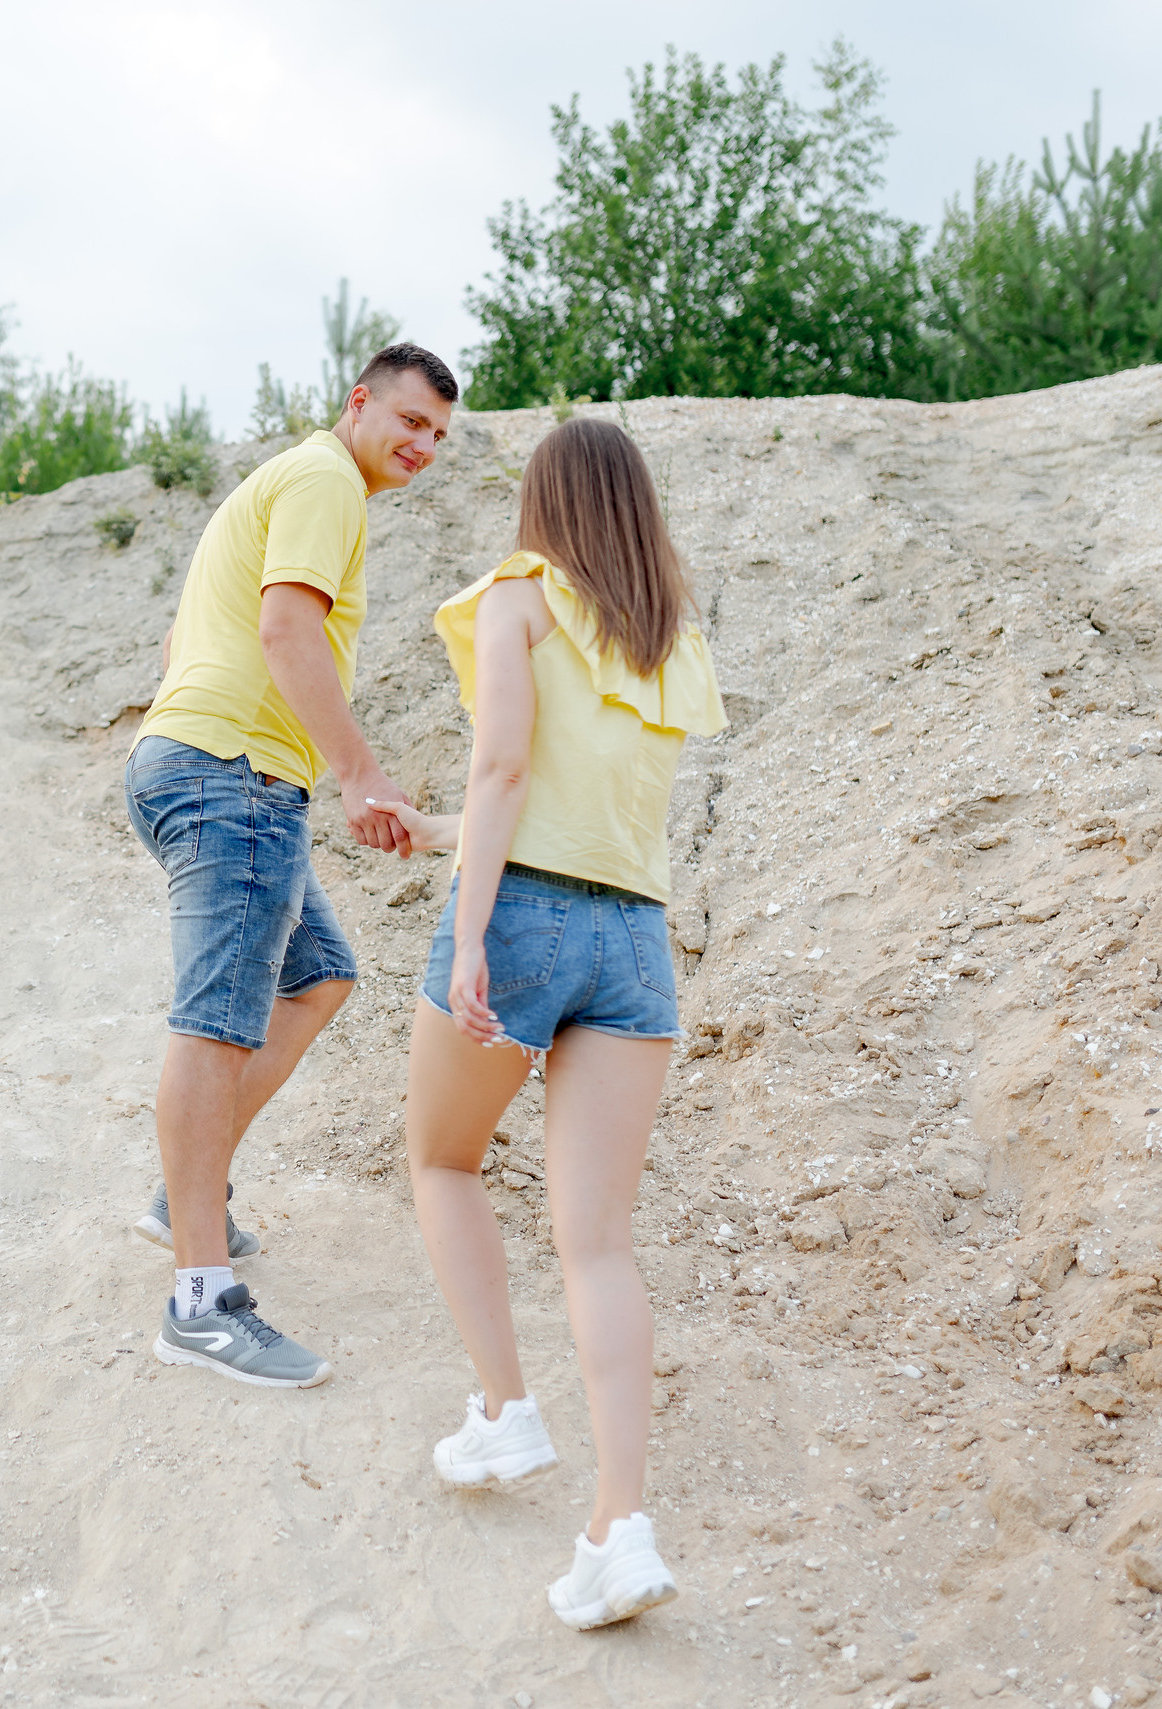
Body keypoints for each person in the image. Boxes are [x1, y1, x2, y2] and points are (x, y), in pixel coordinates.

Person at [388, 416, 725, 1628]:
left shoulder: (517, 597)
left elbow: (505, 776)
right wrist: (425, 830)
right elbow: (579, 808)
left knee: (440, 1158)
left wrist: (469, 931)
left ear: (543, 504)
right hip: (634, 940)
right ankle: (616, 1529)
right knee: (597, 1242)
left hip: (520, 919)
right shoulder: (666, 638)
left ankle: (504, 1409)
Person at [124, 342, 460, 1388]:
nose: (422, 445)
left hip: (204, 762)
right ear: (358, 403)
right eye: (408, 421)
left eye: (440, 436)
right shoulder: (322, 480)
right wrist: (356, 774)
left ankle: (185, 1190)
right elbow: (284, 627)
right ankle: (200, 1300)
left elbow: (191, 643)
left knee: (320, 975)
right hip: (235, 776)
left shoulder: (281, 484)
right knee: (216, 1020)